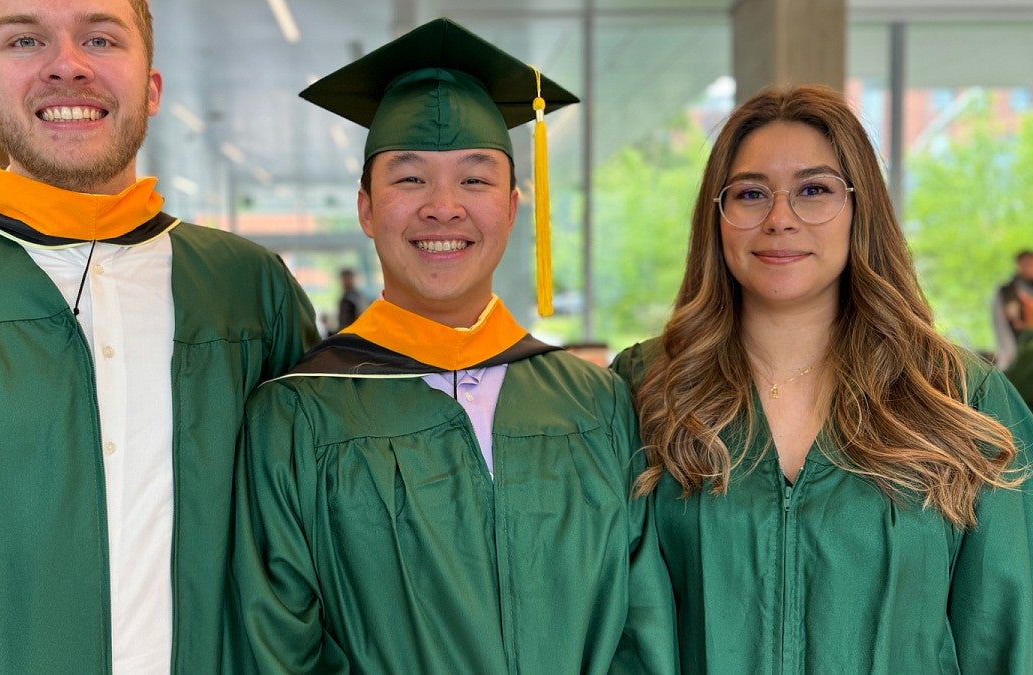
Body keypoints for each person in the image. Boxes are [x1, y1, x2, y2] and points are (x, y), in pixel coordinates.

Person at [0, 0, 318, 671]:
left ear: (151, 86)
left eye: (100, 36)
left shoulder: (247, 293)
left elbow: (305, 555)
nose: (68, 65)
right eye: (26, 39)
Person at [232, 18, 677, 673]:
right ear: (364, 206)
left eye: (475, 179)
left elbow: (643, 627)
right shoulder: (297, 417)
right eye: (409, 179)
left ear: (515, 203)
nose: (444, 207)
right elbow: (277, 646)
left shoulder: (598, 404)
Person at [611, 85, 1033, 673]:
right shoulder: (644, 391)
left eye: (814, 190)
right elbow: (620, 628)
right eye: (751, 194)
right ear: (718, 217)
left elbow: (1009, 636)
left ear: (862, 210)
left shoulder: (958, 397)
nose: (780, 219)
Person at [993, 249, 1033, 369]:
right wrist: (1008, 351)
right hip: (1016, 344)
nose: (1028, 268)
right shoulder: (1007, 292)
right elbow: (1000, 323)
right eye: (1024, 264)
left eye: (1030, 264)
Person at [335, 266, 365, 331]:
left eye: (347, 278)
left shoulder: (351, 298)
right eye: (344, 279)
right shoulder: (347, 296)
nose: (345, 282)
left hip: (353, 332)